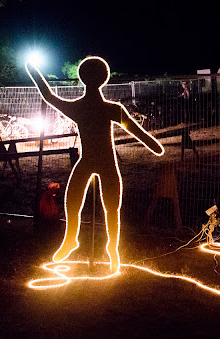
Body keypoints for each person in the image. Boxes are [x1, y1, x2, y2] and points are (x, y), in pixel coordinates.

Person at [26, 56, 165, 273]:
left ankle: (111, 248)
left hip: (100, 162)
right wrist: (154, 146)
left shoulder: (91, 108)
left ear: (84, 78)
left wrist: (32, 68)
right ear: (104, 77)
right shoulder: (107, 108)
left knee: (107, 206)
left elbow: (49, 96)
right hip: (94, 162)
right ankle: (72, 240)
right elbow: (137, 132)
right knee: (81, 200)